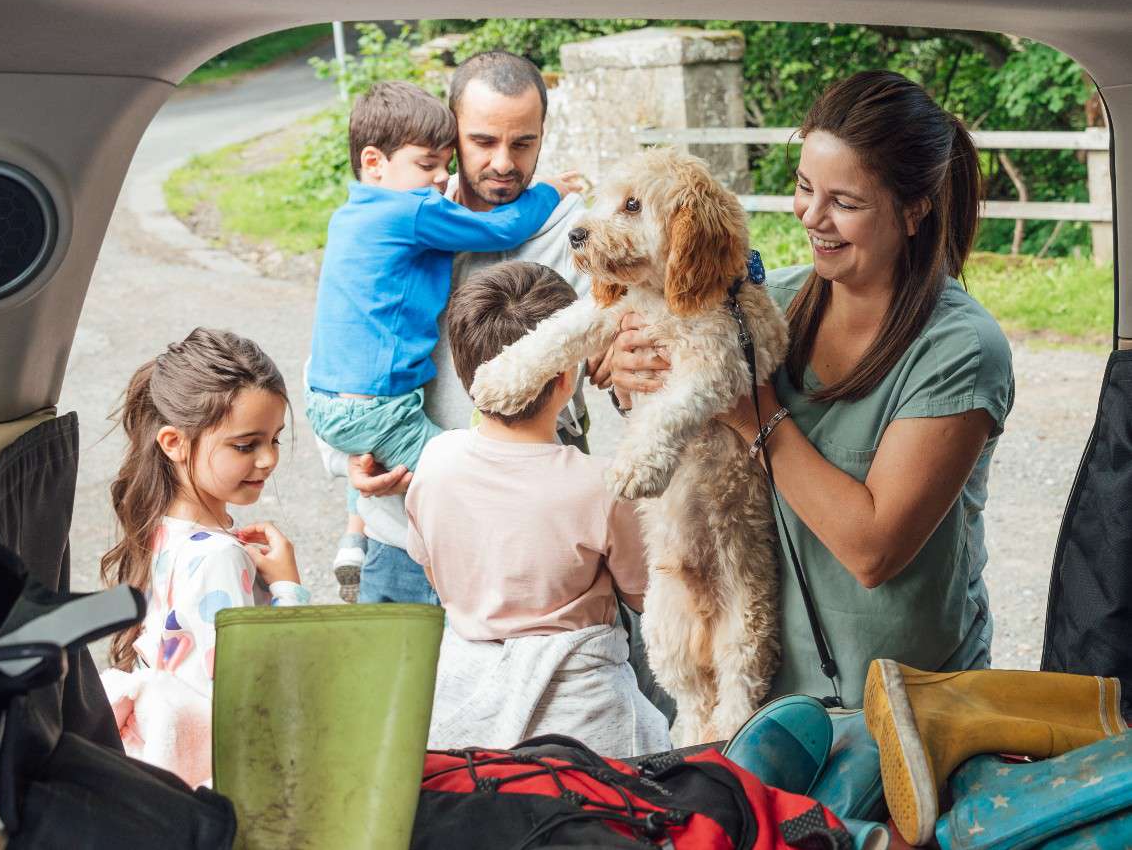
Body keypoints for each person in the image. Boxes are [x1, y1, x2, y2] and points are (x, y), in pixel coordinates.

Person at [608, 70, 1014, 708]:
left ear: (914, 210)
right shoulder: (774, 301)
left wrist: (750, 408)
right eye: (803, 188)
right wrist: (635, 377)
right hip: (769, 693)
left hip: (906, 703)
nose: (812, 217)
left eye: (845, 203)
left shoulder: (960, 351)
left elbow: (872, 549)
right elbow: (683, 431)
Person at [318, 54, 594, 607]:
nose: (503, 163)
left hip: (522, 540)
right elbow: (339, 350)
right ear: (451, 131)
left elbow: (599, 362)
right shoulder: (399, 217)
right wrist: (349, 461)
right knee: (400, 696)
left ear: (543, 134)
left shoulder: (581, 234)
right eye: (483, 141)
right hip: (402, 539)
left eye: (522, 144)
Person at [407, 261, 671, 758]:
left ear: (466, 375)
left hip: (466, 683)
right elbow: (645, 597)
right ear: (566, 373)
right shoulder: (603, 484)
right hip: (582, 708)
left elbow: (432, 570)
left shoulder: (435, 460)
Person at [99, 327, 310, 787]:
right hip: (214, 774)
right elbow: (260, 686)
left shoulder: (155, 528)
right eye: (245, 445)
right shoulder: (220, 556)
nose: (268, 459)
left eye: (274, 439)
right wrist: (288, 588)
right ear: (173, 443)